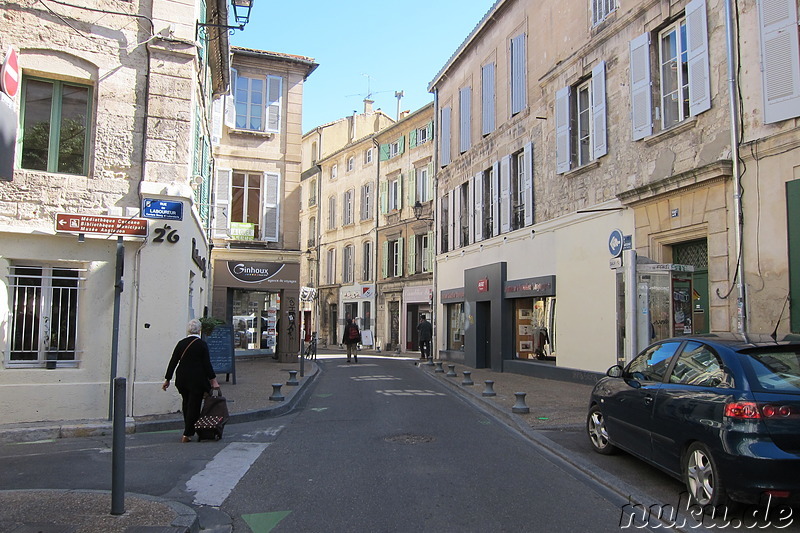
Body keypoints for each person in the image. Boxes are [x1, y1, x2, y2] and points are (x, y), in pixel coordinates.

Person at [163, 318, 219, 442]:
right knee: (194, 405)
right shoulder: (202, 345)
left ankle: (189, 429)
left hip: (182, 378)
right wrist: (213, 380)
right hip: (196, 380)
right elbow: (207, 364)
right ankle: (187, 433)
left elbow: (173, 362)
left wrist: (167, 379)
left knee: (186, 403)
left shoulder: (181, 343)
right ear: (199, 330)